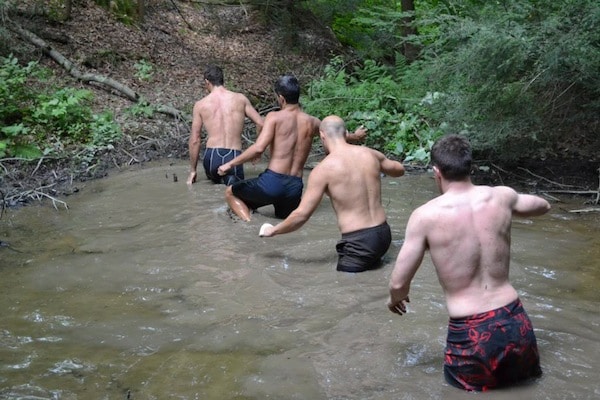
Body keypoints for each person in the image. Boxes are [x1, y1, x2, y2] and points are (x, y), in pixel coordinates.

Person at [387, 134, 550, 391]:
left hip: (472, 334)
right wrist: (509, 208)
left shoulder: (425, 216)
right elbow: (543, 206)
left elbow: (398, 282)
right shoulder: (502, 197)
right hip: (516, 322)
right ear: (470, 167)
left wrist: (395, 299)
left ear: (436, 171)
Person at [259, 115, 405, 273]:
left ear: (322, 136)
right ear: (346, 132)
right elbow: (399, 170)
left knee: (346, 291)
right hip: (383, 235)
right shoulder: (370, 154)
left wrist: (274, 230)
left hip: (358, 242)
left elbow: (301, 215)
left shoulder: (323, 170)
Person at [217, 75, 367, 221]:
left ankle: (249, 226)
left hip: (272, 182)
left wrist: (230, 164)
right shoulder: (312, 122)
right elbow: (334, 135)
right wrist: (356, 136)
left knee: (231, 192)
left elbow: (258, 148)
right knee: (282, 221)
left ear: (281, 98)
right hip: (294, 188)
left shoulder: (274, 117)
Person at [187, 65, 264, 186]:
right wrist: (257, 152)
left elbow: (195, 140)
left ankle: (220, 180)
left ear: (207, 82)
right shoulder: (240, 99)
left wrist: (193, 170)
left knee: (214, 182)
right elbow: (260, 123)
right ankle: (229, 180)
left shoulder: (200, 105)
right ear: (222, 80)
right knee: (233, 186)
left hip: (212, 156)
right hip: (234, 156)